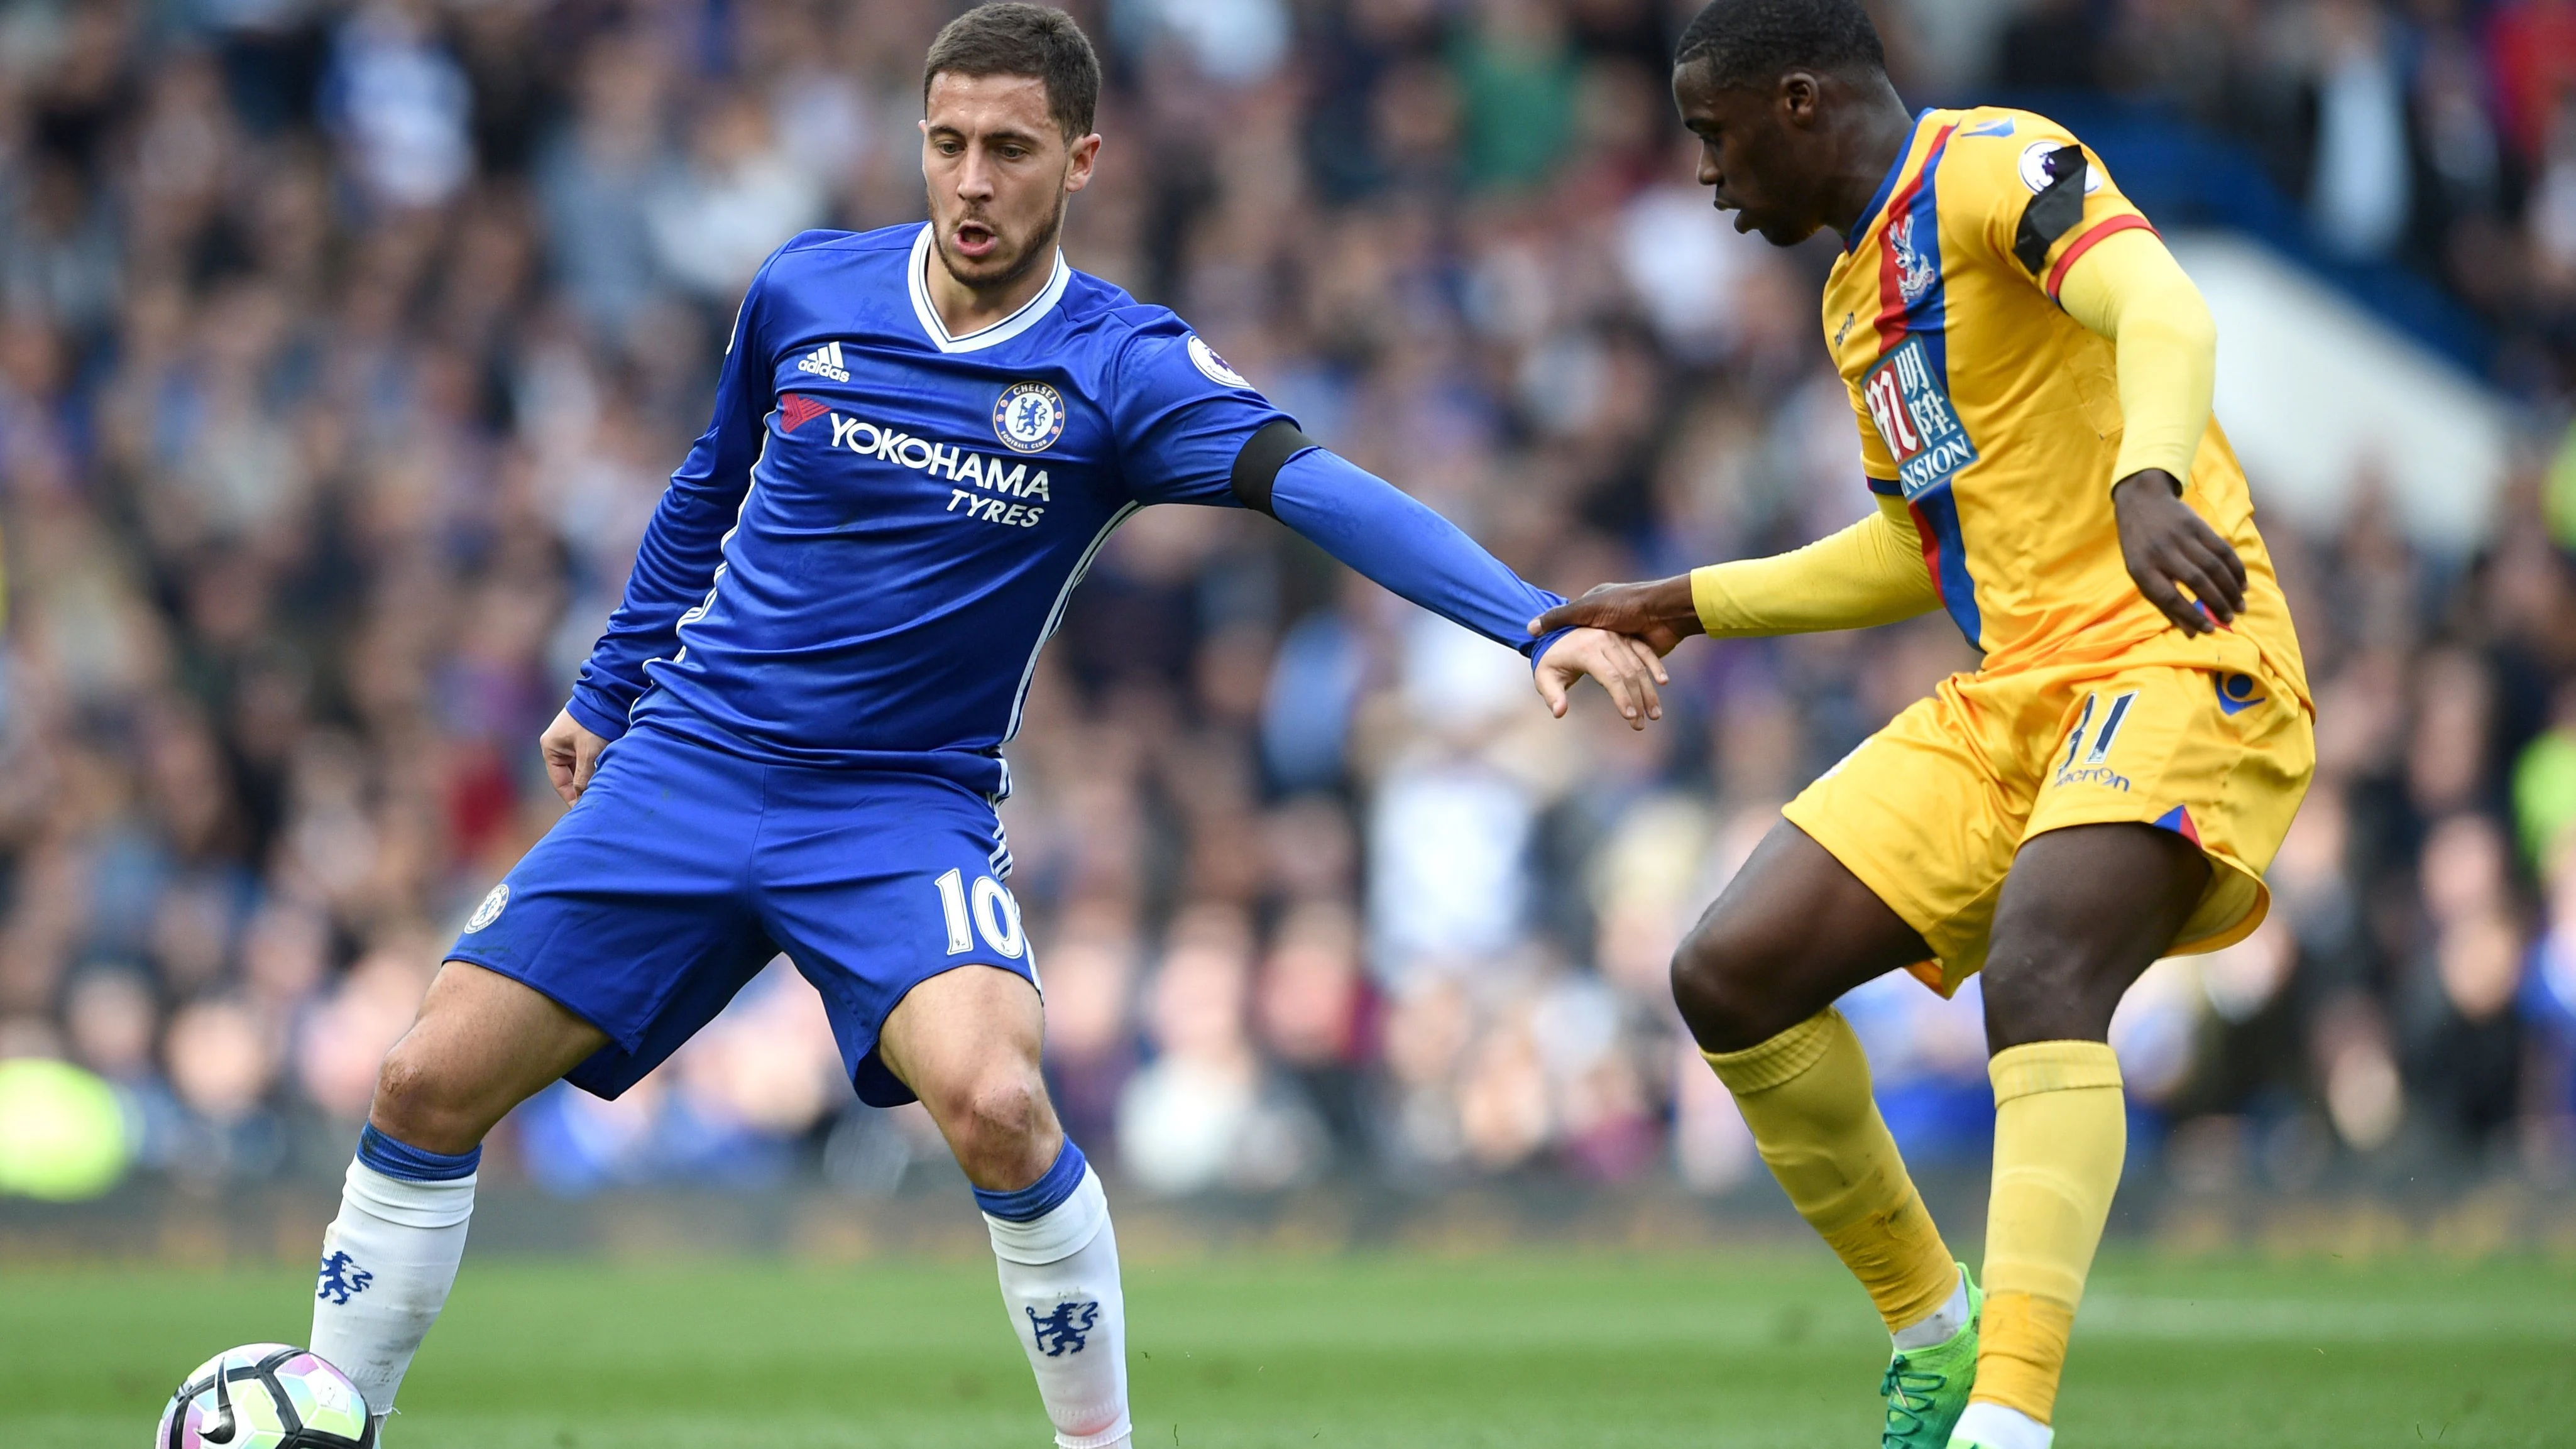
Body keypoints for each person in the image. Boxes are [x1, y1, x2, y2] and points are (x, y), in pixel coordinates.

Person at [305, 6, 1663, 1444]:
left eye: (1009, 150)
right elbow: (709, 484)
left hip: (895, 808)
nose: (970, 180)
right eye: (946, 144)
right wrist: (609, 679)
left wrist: (1535, 616)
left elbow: (1314, 485)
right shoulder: (805, 292)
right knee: (422, 1077)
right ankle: (338, 1419)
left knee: (1000, 1102)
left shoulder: (1121, 366)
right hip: (692, 765)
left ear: (1080, 159)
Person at [1529, 3, 2314, 1446]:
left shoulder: (1994, 162)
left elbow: (2165, 309)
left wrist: (2148, 479)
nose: (1704, 173)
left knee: (2042, 962)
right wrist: (1686, 602)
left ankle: (2009, 1420)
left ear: (1801, 102)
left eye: (1714, 133)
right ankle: (1935, 1329)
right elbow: (1914, 546)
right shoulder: (1854, 300)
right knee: (1731, 973)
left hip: (2174, 648)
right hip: (2015, 690)